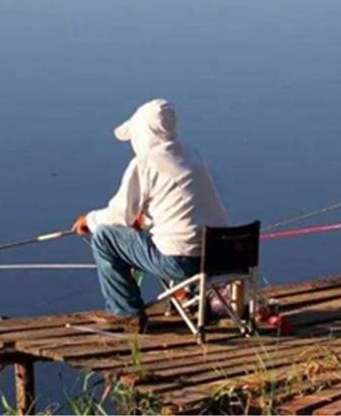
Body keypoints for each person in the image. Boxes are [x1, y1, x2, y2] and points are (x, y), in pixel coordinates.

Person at [72, 99, 229, 330]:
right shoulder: (191, 154)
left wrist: (89, 220)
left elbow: (119, 216)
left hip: (182, 262)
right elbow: (179, 206)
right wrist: (143, 219)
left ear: (142, 133)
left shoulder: (145, 162)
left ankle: (126, 312)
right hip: (220, 257)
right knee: (165, 235)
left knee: (105, 236)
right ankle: (190, 295)